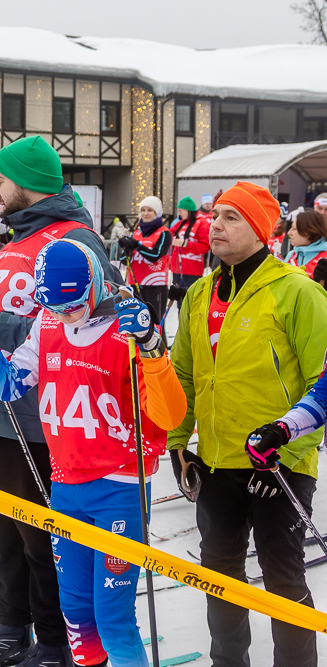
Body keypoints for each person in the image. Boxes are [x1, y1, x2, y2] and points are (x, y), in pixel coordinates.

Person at [0, 238, 186, 667]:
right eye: (53, 306)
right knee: (75, 616)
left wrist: (152, 347)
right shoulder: (48, 324)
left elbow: (170, 415)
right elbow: (7, 384)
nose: (64, 315)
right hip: (65, 487)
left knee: (113, 620)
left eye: (73, 306)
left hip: (119, 489)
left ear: (94, 285)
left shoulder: (126, 328)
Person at [0, 135, 118, 667]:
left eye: (0, 180)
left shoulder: (75, 239)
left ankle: (54, 641)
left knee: (40, 538)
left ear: (26, 182)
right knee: (0, 532)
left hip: (43, 419)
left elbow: (96, 320)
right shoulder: (15, 240)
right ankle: (11, 630)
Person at [169, 181, 327, 667]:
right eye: (215, 215)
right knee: (219, 575)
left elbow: (322, 382)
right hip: (216, 462)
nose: (215, 225)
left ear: (261, 229)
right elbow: (184, 375)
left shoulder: (297, 291)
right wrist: (179, 443)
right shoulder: (200, 293)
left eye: (231, 217)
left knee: (283, 577)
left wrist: (288, 450)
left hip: (279, 463)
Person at [118, 196, 171, 323]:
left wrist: (137, 245)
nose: (145, 213)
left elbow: (155, 256)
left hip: (155, 285)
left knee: (155, 323)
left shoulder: (164, 233)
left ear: (157, 213)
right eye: (143, 210)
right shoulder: (136, 233)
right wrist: (125, 246)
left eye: (150, 210)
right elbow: (124, 260)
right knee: (138, 323)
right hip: (136, 284)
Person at [168, 196, 211, 303]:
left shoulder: (201, 223)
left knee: (190, 302)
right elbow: (168, 234)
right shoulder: (181, 223)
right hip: (177, 269)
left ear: (188, 210)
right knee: (180, 303)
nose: (179, 213)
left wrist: (185, 244)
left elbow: (205, 247)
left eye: (181, 210)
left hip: (192, 270)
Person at [285, 210, 327, 279]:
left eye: (294, 229)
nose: (289, 233)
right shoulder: (292, 254)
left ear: (308, 231)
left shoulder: (325, 256)